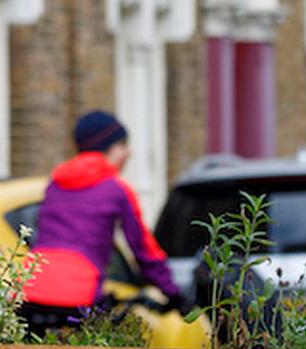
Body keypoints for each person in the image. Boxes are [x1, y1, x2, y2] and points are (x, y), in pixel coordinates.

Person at [22, 111, 187, 323]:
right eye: (124, 145)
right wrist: (173, 293)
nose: (129, 153)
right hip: (78, 295)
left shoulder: (55, 183)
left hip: (30, 288)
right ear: (110, 148)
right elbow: (142, 248)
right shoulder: (116, 189)